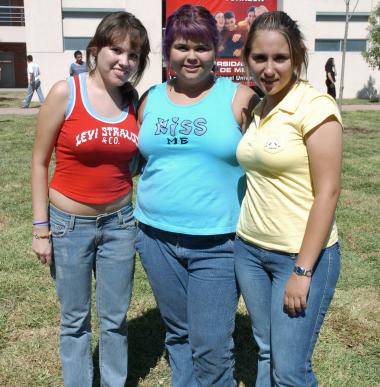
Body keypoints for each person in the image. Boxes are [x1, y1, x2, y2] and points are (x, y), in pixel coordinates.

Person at [134, 5, 257, 387]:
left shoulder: (240, 98)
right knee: (178, 334)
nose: (192, 56)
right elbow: (136, 159)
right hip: (155, 237)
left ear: (215, 50)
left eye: (202, 47)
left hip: (218, 242)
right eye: (183, 46)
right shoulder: (149, 98)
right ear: (169, 51)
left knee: (211, 344)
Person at [31, 11, 150, 387]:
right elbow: (38, 162)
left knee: (115, 320)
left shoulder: (133, 102)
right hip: (69, 226)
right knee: (74, 320)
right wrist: (41, 229)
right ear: (96, 49)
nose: (124, 61)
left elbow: (136, 161)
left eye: (133, 54)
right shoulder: (66, 92)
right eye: (116, 50)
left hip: (120, 225)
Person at [235, 11, 343, 386]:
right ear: (247, 58)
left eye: (279, 58)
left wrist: (302, 270)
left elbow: (328, 192)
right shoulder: (260, 107)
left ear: (297, 57)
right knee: (265, 349)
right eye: (259, 58)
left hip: (298, 257)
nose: (268, 68)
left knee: (291, 370)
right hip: (249, 250)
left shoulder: (315, 107)